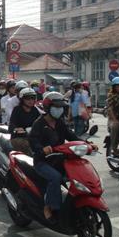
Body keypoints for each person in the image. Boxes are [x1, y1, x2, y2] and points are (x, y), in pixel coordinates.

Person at [29, 92, 96, 220]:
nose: (59, 110)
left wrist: (87, 143)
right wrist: (42, 149)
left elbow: (71, 136)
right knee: (56, 177)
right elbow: (33, 141)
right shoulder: (39, 123)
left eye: (61, 107)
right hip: (42, 162)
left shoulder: (60, 123)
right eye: (56, 107)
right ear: (48, 107)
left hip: (59, 159)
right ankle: (49, 206)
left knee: (78, 175)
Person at [9, 88, 40, 156]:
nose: (31, 101)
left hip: (32, 137)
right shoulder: (17, 110)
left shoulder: (35, 110)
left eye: (32, 98)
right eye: (28, 98)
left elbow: (40, 122)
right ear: (22, 99)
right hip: (19, 137)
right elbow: (11, 126)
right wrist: (16, 129)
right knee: (26, 145)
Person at [106, 76, 119, 156]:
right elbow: (110, 109)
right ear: (114, 87)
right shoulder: (111, 95)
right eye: (118, 86)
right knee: (115, 126)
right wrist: (114, 120)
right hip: (114, 118)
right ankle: (114, 148)